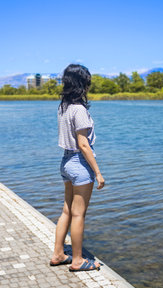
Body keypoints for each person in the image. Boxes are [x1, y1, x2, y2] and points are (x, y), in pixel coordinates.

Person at [49, 64, 105, 272]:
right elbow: (83, 144)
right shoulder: (79, 110)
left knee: (66, 210)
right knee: (79, 214)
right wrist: (98, 173)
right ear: (82, 84)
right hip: (79, 164)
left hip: (65, 162)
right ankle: (78, 260)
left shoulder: (63, 107)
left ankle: (58, 254)